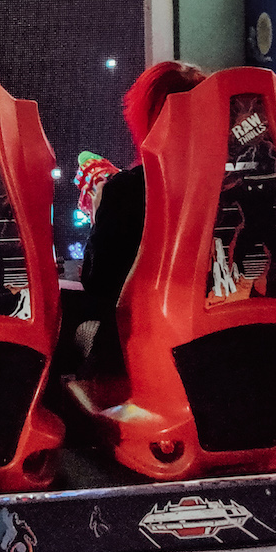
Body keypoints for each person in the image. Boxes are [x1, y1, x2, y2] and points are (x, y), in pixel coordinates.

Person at [79, 60, 207, 373]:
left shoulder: (127, 189)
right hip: (228, 347)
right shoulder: (231, 184)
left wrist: (99, 213)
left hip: (146, 359)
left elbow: (98, 284)